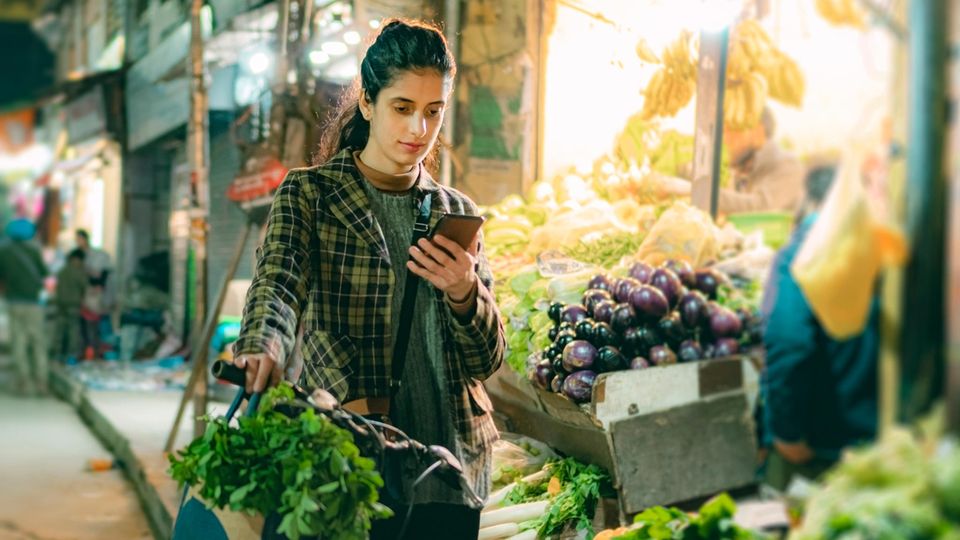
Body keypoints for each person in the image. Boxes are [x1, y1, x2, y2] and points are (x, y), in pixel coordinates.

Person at [231, 19, 505, 540]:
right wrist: (262, 345)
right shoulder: (311, 194)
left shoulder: (457, 212)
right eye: (403, 108)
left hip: (449, 471)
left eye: (433, 111)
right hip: (354, 464)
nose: (418, 130)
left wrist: (465, 293)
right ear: (367, 103)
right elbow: (278, 284)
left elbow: (486, 361)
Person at [761, 162, 879, 490]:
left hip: (821, 442)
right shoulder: (878, 247)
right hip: (874, 436)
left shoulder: (803, 251)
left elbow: (788, 339)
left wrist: (786, 432)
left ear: (809, 199)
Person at [0, 218, 50, 396]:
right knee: (38, 342)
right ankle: (41, 382)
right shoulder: (34, 250)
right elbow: (44, 273)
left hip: (14, 303)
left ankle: (24, 381)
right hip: (34, 303)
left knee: (18, 342)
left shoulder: (3, 251)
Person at [75, 229, 113, 358]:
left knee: (99, 327)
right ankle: (92, 351)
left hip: (96, 300)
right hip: (87, 301)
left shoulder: (98, 256)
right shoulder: (80, 255)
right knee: (88, 327)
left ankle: (100, 352)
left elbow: (101, 276)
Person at [52, 248, 87, 362]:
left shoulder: (62, 271)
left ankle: (57, 353)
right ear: (77, 259)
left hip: (60, 304)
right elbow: (85, 286)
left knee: (59, 330)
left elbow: (55, 286)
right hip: (73, 305)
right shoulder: (78, 272)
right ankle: (71, 355)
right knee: (73, 330)